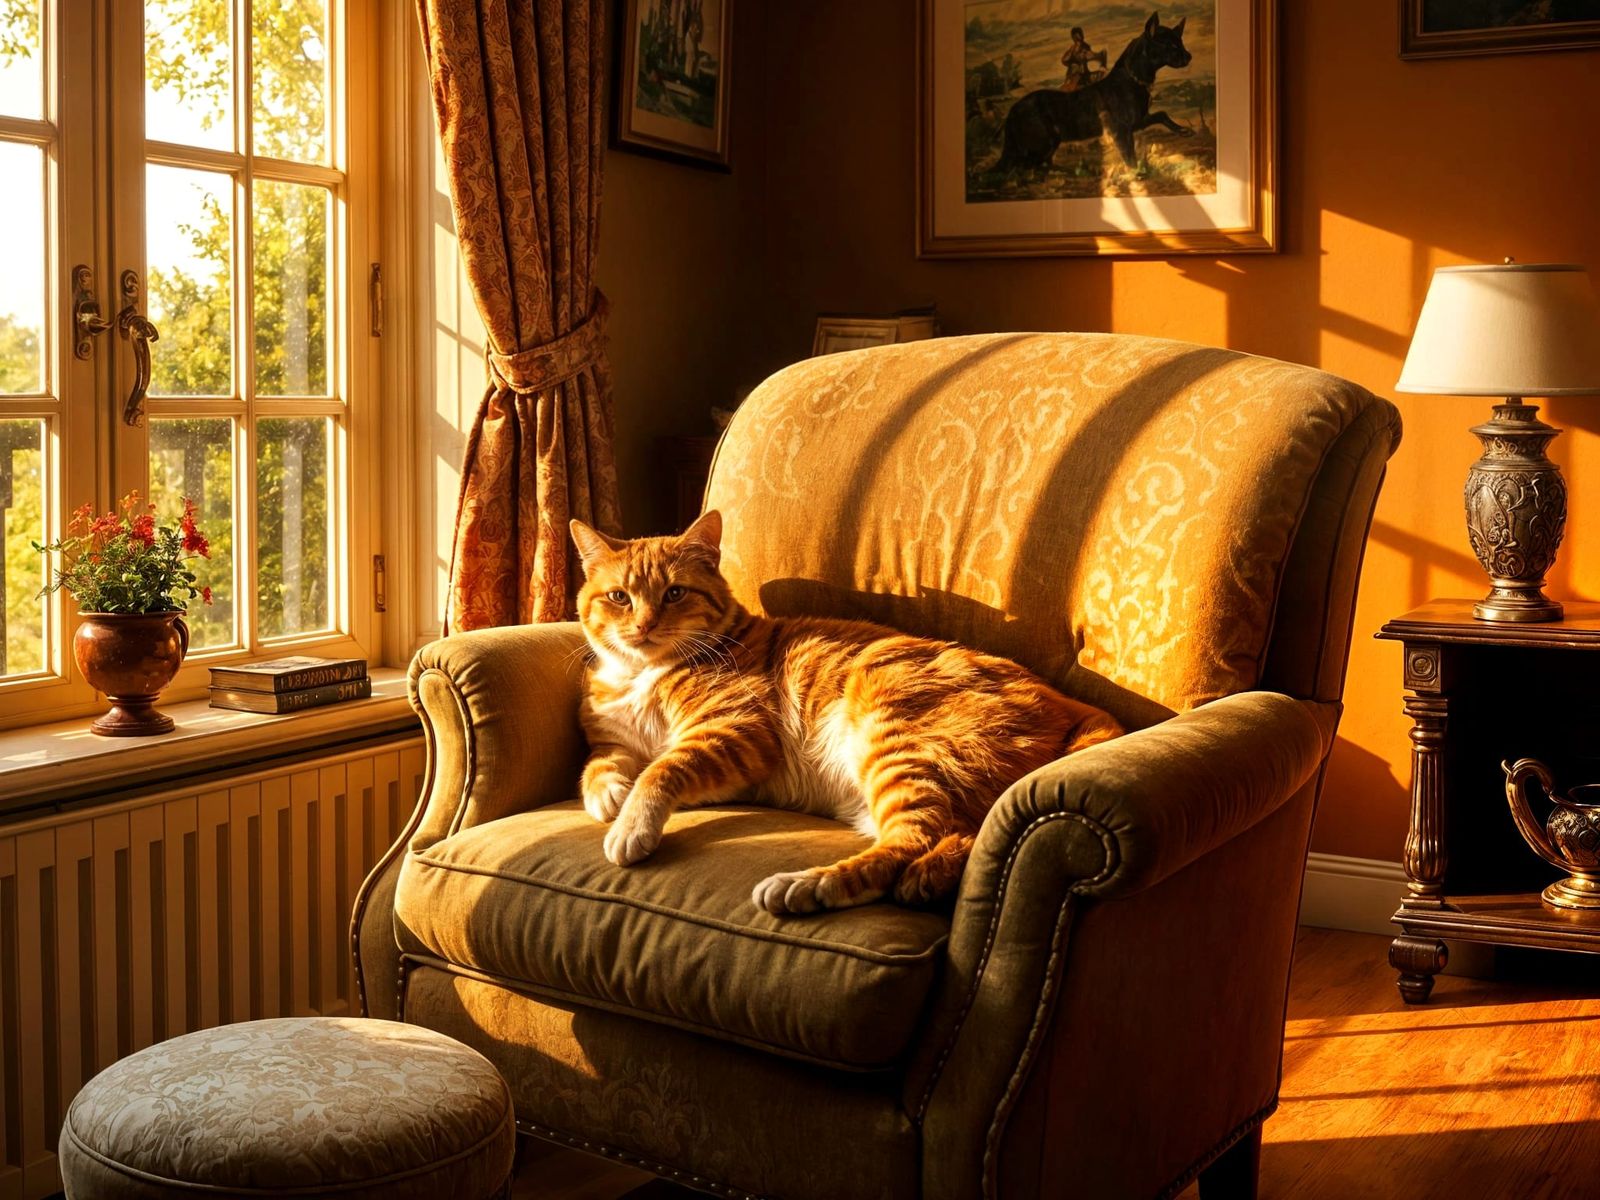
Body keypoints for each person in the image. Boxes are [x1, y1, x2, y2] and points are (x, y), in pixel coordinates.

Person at [1060, 27, 1106, 92]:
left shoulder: (1085, 47)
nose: (1077, 39)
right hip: (1073, 74)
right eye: (1075, 37)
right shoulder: (1072, 49)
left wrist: (1102, 63)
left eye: (1078, 36)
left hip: (1083, 73)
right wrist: (1071, 51)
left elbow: (1090, 56)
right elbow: (1064, 61)